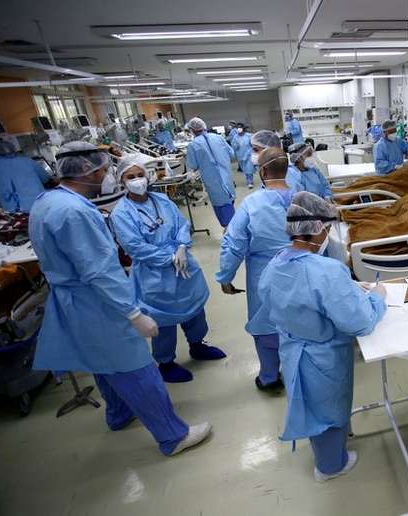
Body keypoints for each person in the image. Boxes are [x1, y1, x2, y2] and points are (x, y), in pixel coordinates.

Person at [28, 141, 210, 456]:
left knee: (103, 364)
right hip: (99, 303)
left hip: (77, 303)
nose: (106, 175)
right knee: (137, 367)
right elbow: (99, 270)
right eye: (103, 169)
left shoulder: (47, 202)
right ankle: (172, 436)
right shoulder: (75, 212)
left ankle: (119, 413)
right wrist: (132, 313)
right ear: (89, 170)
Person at [258, 191, 387, 482]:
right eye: (328, 228)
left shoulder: (275, 264)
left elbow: (289, 300)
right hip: (323, 357)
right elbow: (359, 323)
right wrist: (377, 298)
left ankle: (331, 452)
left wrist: (350, 290)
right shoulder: (328, 270)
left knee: (313, 406)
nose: (329, 234)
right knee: (328, 411)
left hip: (293, 351)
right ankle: (331, 466)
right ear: (318, 229)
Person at [110, 154, 227, 383]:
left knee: (193, 307)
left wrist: (182, 246)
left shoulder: (162, 201)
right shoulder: (121, 213)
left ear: (148, 175)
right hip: (153, 272)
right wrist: (170, 257)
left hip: (183, 266)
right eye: (131, 176)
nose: (137, 180)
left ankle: (197, 345)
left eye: (140, 174)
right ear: (121, 181)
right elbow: (135, 247)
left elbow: (181, 224)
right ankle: (165, 362)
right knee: (162, 318)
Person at [216, 147, 294, 391]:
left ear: (262, 171)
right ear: (286, 168)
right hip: (303, 271)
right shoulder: (304, 197)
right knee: (301, 322)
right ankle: (297, 373)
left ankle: (270, 377)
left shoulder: (252, 204)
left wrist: (226, 277)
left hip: (265, 275)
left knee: (266, 323)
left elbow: (234, 244)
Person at [185, 117, 236, 228]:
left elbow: (193, 165)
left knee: (220, 205)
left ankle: (229, 229)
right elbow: (232, 154)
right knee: (229, 200)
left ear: (192, 130)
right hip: (226, 177)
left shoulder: (193, 145)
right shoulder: (219, 138)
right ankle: (231, 228)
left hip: (212, 180)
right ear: (204, 126)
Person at [0, 139, 52, 213]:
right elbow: (45, 178)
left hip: (12, 210)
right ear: (14, 150)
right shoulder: (27, 160)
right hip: (39, 204)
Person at [232, 123, 256, 189]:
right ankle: (248, 179)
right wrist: (236, 143)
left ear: (243, 128)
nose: (238, 129)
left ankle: (250, 182)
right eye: (237, 128)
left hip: (248, 154)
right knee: (245, 169)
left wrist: (253, 152)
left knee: (249, 168)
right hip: (240, 155)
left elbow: (253, 144)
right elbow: (234, 147)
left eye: (240, 127)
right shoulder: (235, 137)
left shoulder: (249, 136)